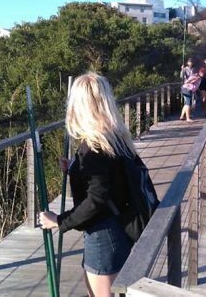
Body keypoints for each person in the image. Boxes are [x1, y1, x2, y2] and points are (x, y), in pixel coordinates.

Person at [39, 72, 136, 297]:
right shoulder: (114, 137)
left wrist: (60, 221)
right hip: (118, 226)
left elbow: (97, 199)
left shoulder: (93, 147)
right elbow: (108, 180)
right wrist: (74, 166)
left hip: (103, 234)